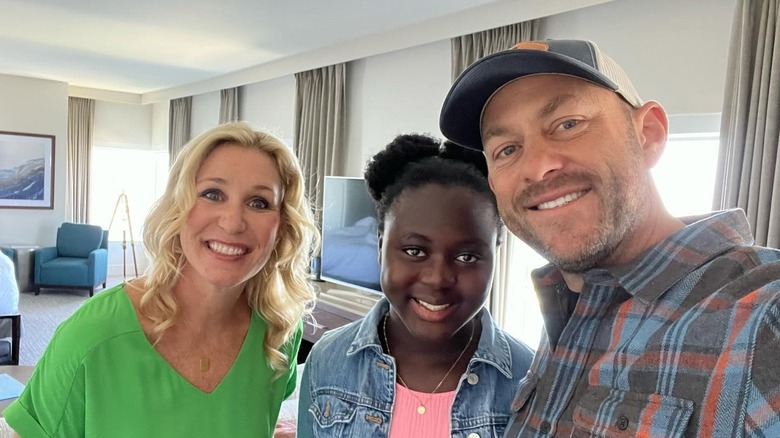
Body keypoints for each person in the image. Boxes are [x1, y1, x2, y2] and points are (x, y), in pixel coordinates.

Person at [438, 38, 780, 436]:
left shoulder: (765, 317)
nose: (537, 167)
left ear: (648, 134)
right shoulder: (567, 309)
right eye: (507, 149)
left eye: (568, 124)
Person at [4, 122, 318, 437]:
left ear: (283, 226)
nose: (233, 222)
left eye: (259, 202)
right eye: (212, 194)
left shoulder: (279, 335)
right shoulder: (94, 334)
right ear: (177, 207)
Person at [297, 133, 535, 438]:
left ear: (495, 255)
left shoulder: (530, 381)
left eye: (466, 256)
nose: (437, 279)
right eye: (415, 251)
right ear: (380, 247)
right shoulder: (327, 360)